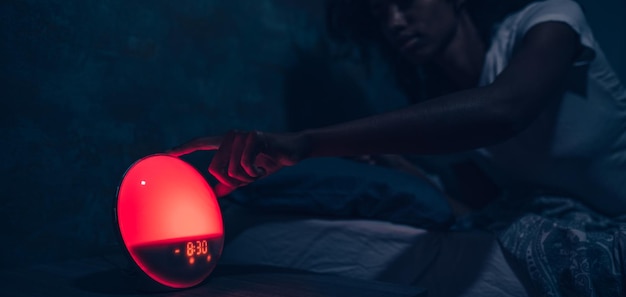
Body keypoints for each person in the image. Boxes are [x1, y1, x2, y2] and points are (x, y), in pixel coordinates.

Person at [169, 0, 626, 218]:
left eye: (404, 2)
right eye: (377, 13)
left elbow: (503, 111)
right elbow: (477, 212)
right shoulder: (443, 114)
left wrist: (307, 143)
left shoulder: (550, 18)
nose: (393, 22)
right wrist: (398, 166)